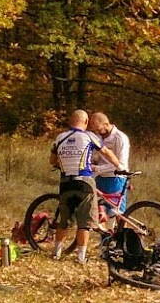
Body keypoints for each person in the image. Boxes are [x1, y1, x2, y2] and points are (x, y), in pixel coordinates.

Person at [49, 109, 124, 263]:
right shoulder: (89, 136)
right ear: (85, 122)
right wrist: (120, 166)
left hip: (65, 183)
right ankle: (81, 257)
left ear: (71, 121)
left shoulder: (60, 138)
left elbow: (52, 161)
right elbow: (106, 152)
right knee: (85, 223)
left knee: (64, 220)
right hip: (84, 183)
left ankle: (56, 253)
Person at [88, 112, 131, 216]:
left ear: (106, 124)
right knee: (99, 211)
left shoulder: (120, 138)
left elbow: (121, 165)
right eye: (94, 130)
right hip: (100, 178)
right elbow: (95, 156)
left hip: (116, 178)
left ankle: (122, 227)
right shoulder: (97, 137)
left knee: (118, 214)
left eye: (98, 129)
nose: (97, 132)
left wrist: (97, 168)